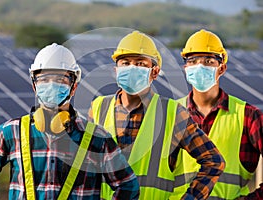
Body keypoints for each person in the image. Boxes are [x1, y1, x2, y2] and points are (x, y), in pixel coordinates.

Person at [0, 43, 139, 200]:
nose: (51, 85)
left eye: (60, 80)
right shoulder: (12, 132)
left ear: (74, 86)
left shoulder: (97, 138)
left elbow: (128, 186)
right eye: (44, 79)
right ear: (34, 85)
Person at [88, 30, 225, 199]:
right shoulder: (98, 108)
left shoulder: (172, 113)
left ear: (154, 72)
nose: (131, 68)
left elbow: (213, 161)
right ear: (116, 70)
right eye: (125, 62)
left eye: (140, 64)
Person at [173, 29, 263, 199]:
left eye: (208, 61)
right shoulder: (170, 113)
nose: (199, 66)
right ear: (185, 68)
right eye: (193, 60)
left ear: (221, 68)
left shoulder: (248, 116)